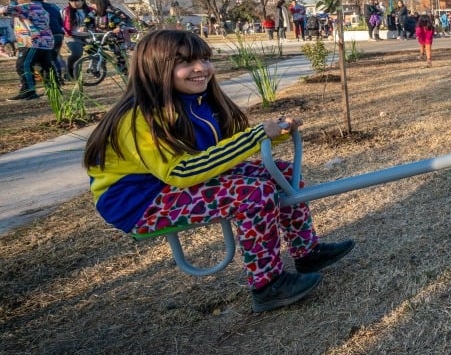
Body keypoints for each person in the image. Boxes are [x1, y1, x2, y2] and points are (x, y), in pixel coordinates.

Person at [83, 30, 355, 313]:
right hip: (139, 201)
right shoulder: (140, 118)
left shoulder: (201, 103)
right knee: (254, 194)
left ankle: (306, 251)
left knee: (283, 173)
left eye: (204, 59)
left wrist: (274, 133)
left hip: (170, 184)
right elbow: (182, 171)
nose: (201, 68)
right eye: (185, 62)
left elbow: (229, 146)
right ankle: (268, 285)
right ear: (156, 68)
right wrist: (256, 137)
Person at [0, 0, 56, 101]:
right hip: (45, 42)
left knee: (23, 65)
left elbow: (3, 10)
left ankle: (28, 91)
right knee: (46, 66)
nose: (17, 0)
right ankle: (54, 89)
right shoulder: (42, 8)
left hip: (31, 42)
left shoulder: (26, 6)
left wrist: (5, 6)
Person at [62, 0, 93, 79]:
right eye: (71, 1)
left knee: (95, 53)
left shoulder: (91, 11)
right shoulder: (65, 11)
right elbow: (60, 22)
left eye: (77, 1)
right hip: (72, 36)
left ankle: (95, 71)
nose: (74, 3)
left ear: (82, 1)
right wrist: (64, 32)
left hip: (89, 36)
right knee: (77, 53)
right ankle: (70, 73)